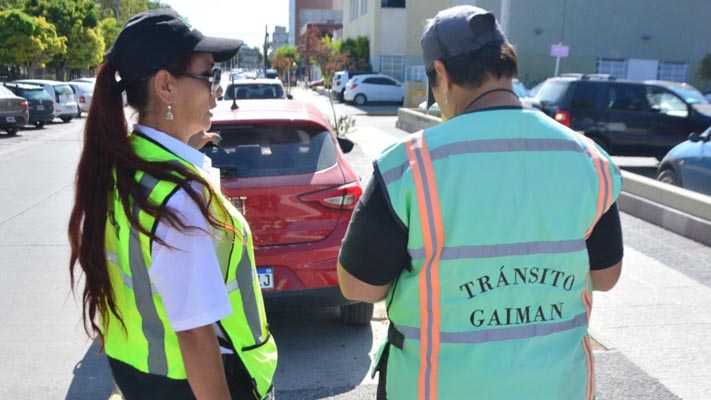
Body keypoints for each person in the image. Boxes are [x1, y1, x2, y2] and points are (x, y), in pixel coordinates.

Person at [337, 5, 623, 400]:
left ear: (442, 74)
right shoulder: (589, 161)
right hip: (557, 388)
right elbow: (606, 277)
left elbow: (357, 286)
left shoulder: (408, 166)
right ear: (508, 65)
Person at [67, 9, 277, 399]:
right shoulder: (177, 202)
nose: (217, 90)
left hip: (142, 378)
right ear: (166, 86)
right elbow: (197, 337)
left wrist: (187, 155)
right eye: (208, 75)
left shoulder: (123, 165)